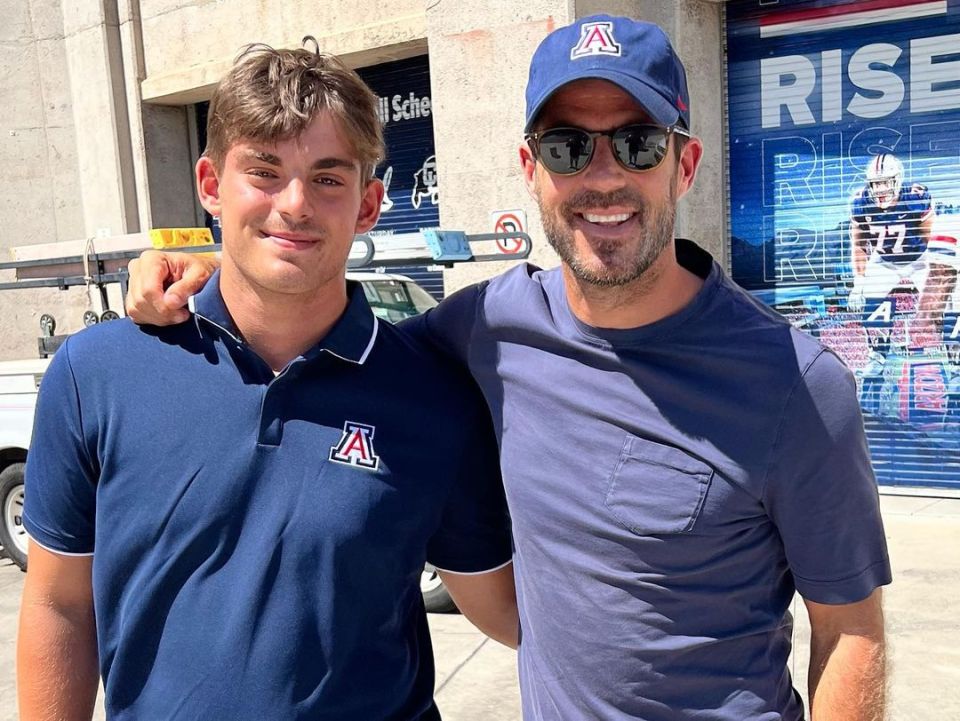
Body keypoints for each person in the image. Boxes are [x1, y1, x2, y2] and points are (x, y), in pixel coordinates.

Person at [126, 16, 892, 721]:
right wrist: (193, 270)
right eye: (567, 147)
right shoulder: (483, 328)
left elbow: (851, 631)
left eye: (637, 143)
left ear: (684, 163)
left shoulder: (796, 382)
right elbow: (317, 320)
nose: (603, 176)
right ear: (531, 168)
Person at [18, 42, 518, 721]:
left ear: (369, 205)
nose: (294, 204)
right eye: (264, 171)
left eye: (328, 178)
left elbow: (510, 611)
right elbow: (58, 604)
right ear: (208, 183)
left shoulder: (434, 396)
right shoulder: (96, 373)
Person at [848, 153, 955, 357]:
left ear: (897, 180)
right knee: (870, 301)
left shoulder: (915, 196)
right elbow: (859, 244)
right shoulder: (860, 201)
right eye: (875, 184)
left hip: (919, 257)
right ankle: (878, 351)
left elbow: (929, 237)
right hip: (883, 260)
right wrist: (859, 281)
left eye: (885, 183)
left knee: (944, 300)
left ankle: (953, 347)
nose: (880, 189)